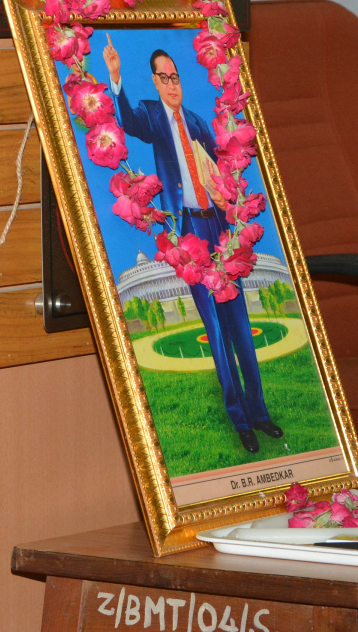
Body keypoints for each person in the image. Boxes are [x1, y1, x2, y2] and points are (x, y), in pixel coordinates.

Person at [104, 40, 280, 453]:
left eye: (176, 77)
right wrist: (115, 77)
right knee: (215, 330)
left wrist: (226, 195)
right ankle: (240, 419)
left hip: (218, 226)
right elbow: (127, 122)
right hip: (188, 232)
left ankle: (260, 412)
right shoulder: (151, 114)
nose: (172, 85)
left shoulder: (199, 122)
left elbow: (220, 170)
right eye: (164, 78)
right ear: (155, 82)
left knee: (240, 323)